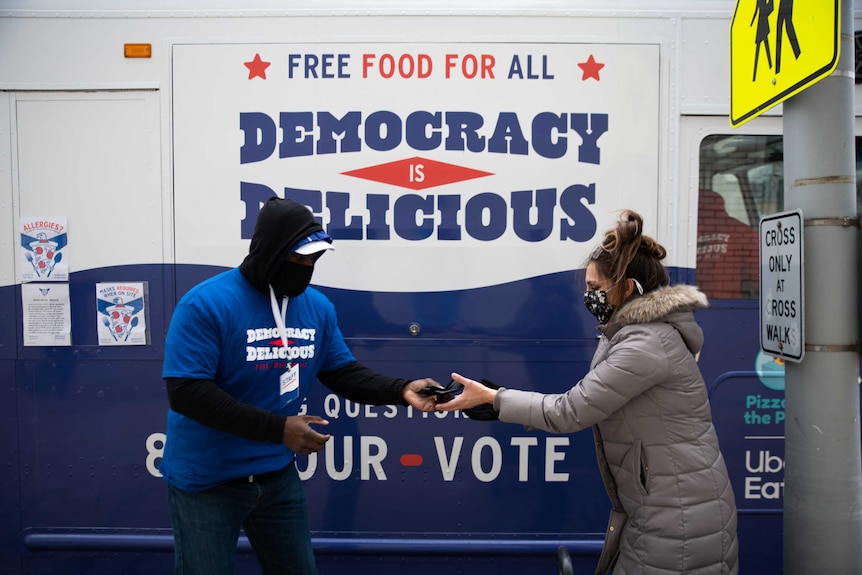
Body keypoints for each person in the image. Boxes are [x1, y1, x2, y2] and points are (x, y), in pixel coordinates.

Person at [437, 210, 739, 574]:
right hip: (671, 508)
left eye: (596, 288)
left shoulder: (644, 344)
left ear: (627, 288)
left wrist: (493, 399)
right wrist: (497, 394)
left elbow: (570, 411)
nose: (588, 296)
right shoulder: (634, 333)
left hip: (679, 521)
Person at [159, 196, 442, 575]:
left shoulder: (316, 307)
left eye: (313, 259)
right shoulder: (206, 304)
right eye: (297, 259)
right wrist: (278, 428)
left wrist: (400, 390)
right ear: (269, 252)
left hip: (276, 476)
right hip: (208, 481)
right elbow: (187, 393)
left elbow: (341, 371)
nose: (306, 268)